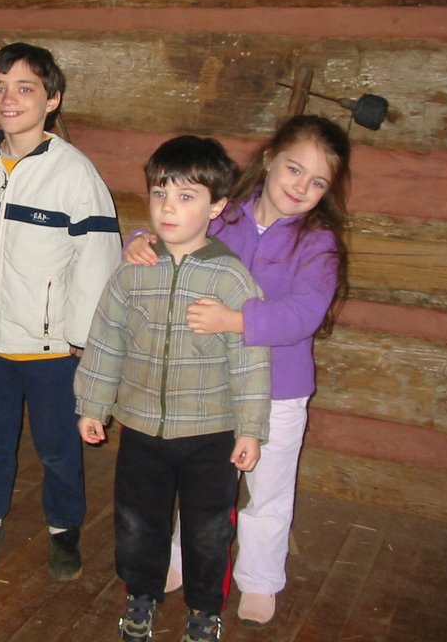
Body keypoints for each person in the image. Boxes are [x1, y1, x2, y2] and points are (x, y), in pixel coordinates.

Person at [124, 115, 351, 627]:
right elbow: (174, 228)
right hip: (212, 383)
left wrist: (235, 319)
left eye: (318, 182)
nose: (301, 187)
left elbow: (303, 314)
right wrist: (137, 240)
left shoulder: (317, 244)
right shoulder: (225, 217)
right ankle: (181, 557)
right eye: (294, 169)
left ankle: (260, 578)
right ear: (269, 158)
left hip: (278, 391)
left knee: (268, 491)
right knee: (201, 485)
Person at [75, 135, 271, 642]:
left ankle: (205, 609)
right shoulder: (133, 273)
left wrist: (250, 429)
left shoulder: (230, 279)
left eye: (186, 197)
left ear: (217, 206)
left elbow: (250, 360)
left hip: (211, 435)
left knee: (209, 529)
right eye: (160, 193)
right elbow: (106, 339)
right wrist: (93, 405)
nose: (168, 207)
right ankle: (141, 595)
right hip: (142, 430)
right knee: (137, 522)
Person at [0, 42, 120, 581]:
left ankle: (64, 529)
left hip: (52, 350)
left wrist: (82, 341)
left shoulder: (75, 175)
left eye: (25, 88)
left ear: (52, 99)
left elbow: (96, 262)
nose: (9, 99)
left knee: (58, 447)